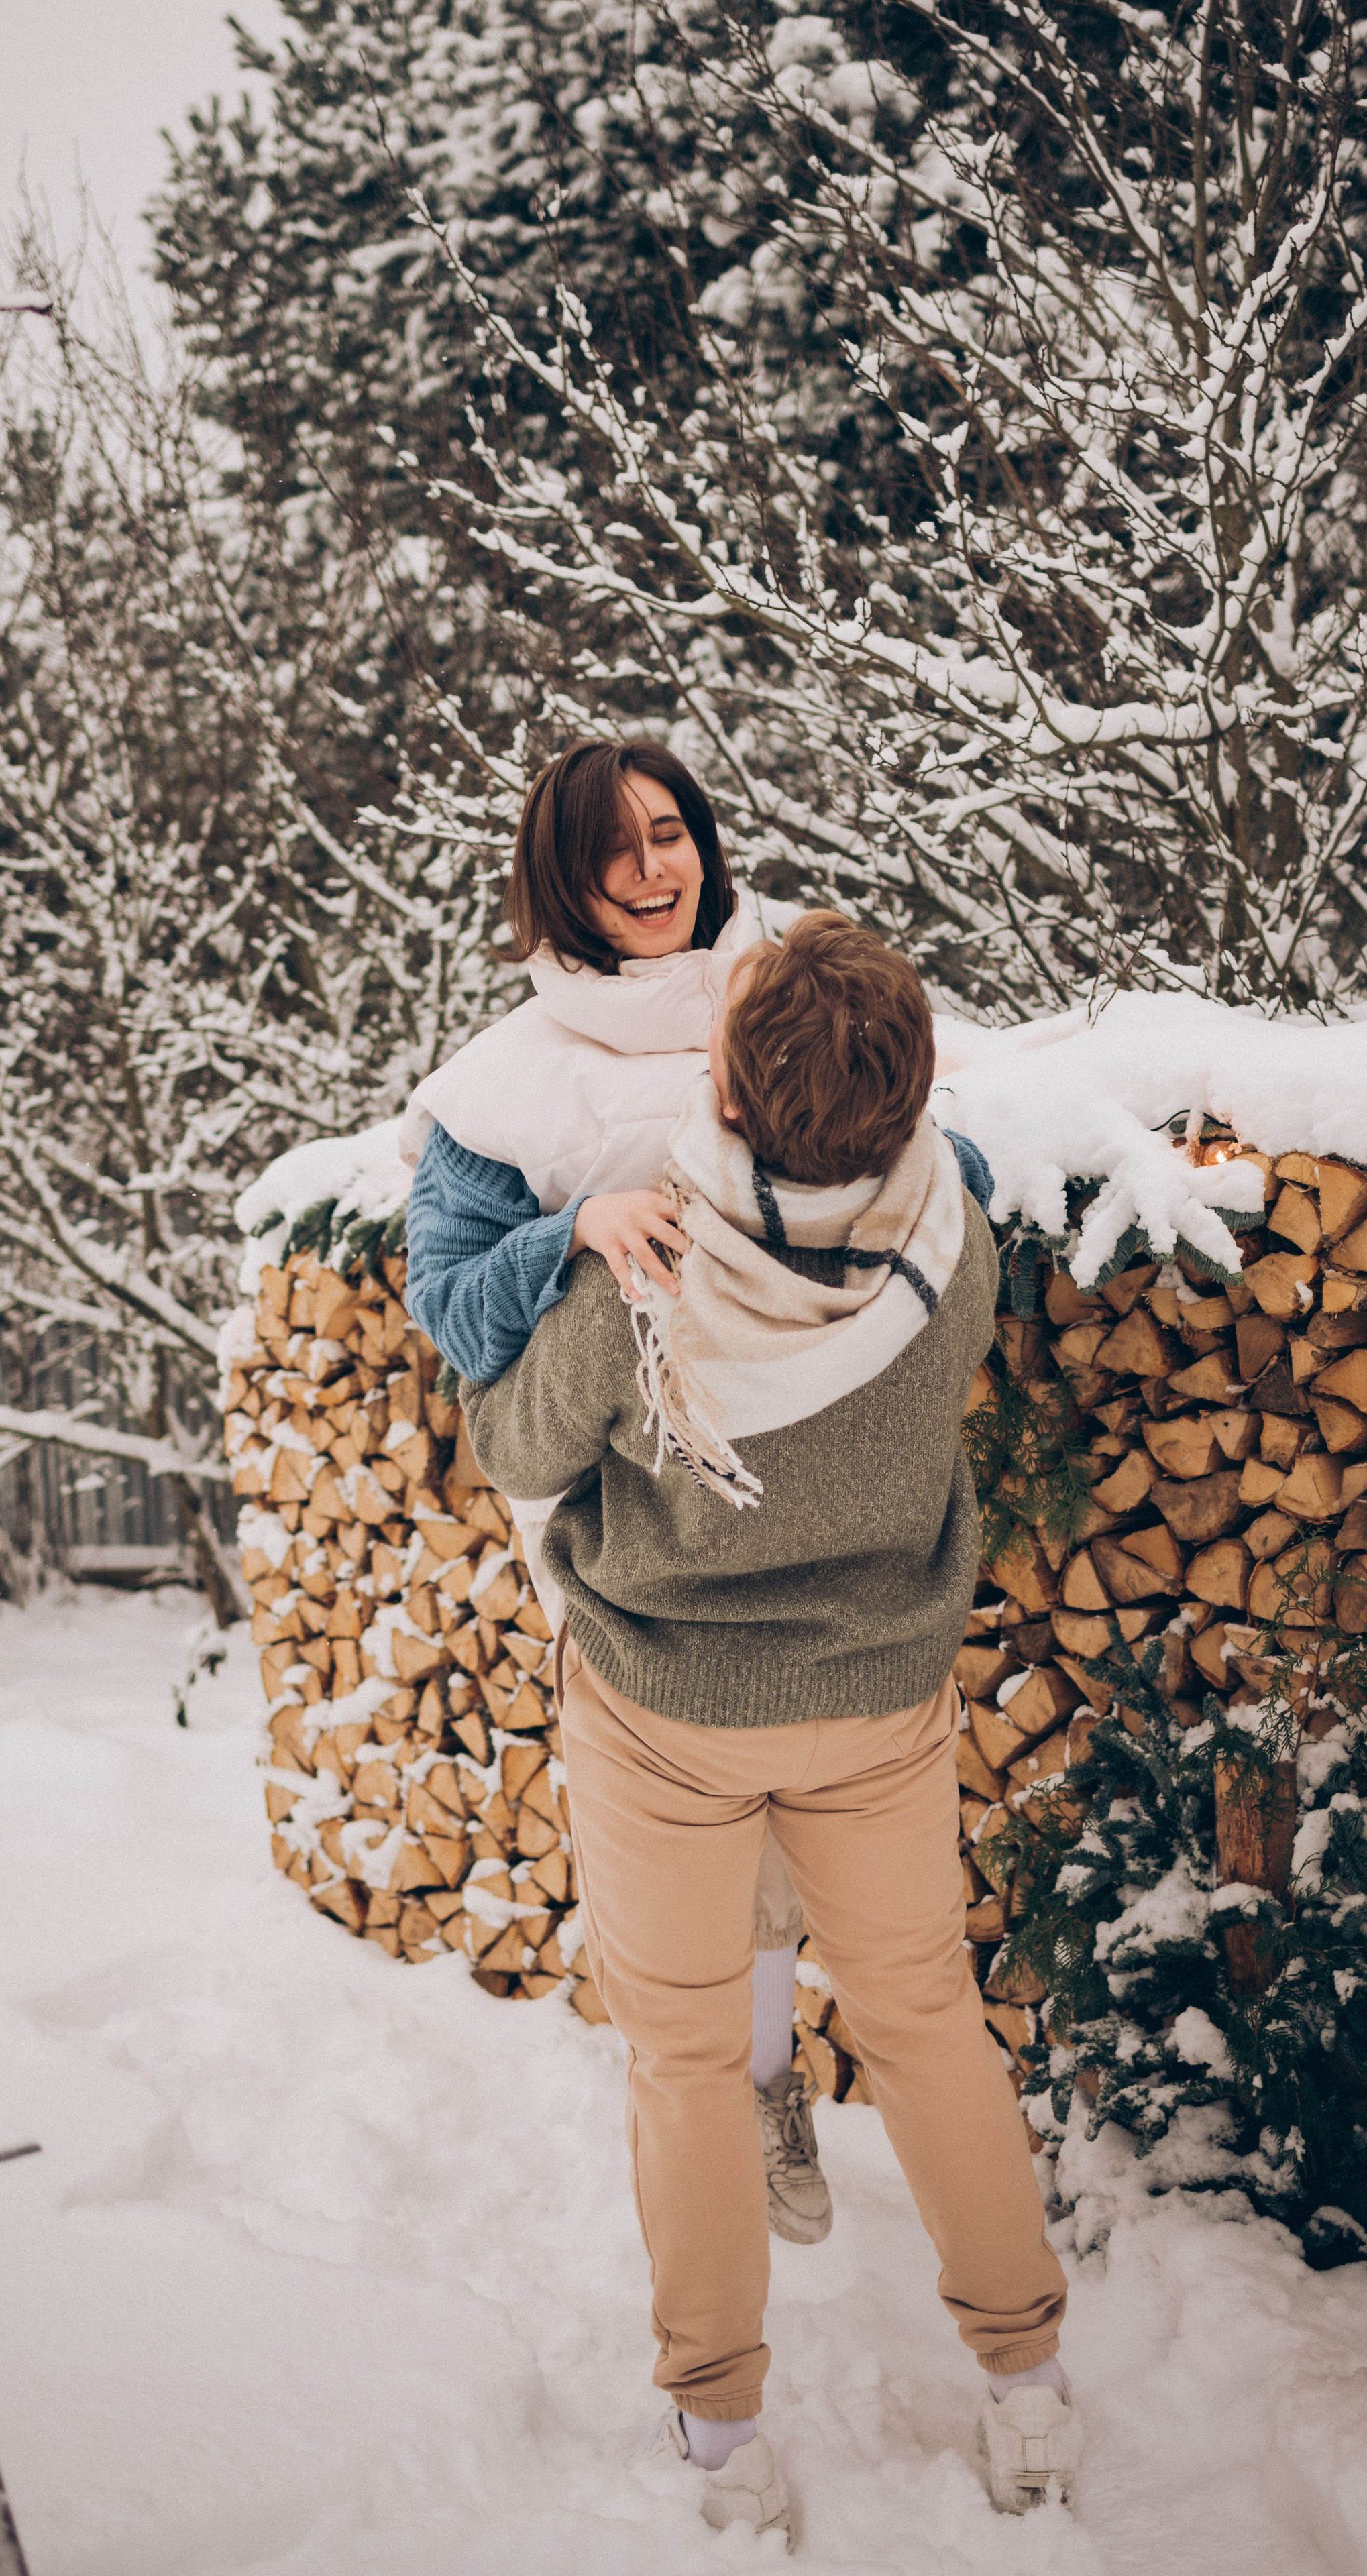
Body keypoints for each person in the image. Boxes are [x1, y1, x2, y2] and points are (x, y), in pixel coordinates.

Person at [461, 913, 1077, 2542]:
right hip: (878, 1700)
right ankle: (1025, 2391)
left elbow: (514, 1438)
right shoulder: (949, 1242)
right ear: (909, 1092)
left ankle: (724, 2443)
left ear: (724, 1087)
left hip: (664, 1712)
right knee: (928, 2023)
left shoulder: (643, 1273)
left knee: (681, 2063)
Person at [398, 737, 992, 2248]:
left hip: (829, 1492)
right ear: (562, 877)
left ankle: (755, 2094)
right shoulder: (506, 1085)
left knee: (795, 1857)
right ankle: (763, 2082)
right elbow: (457, 1314)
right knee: (715, 1884)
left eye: (673, 832)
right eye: (617, 848)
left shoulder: (787, 986)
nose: (657, 868)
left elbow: (921, 1160)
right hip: (651, 1509)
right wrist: (570, 1237)